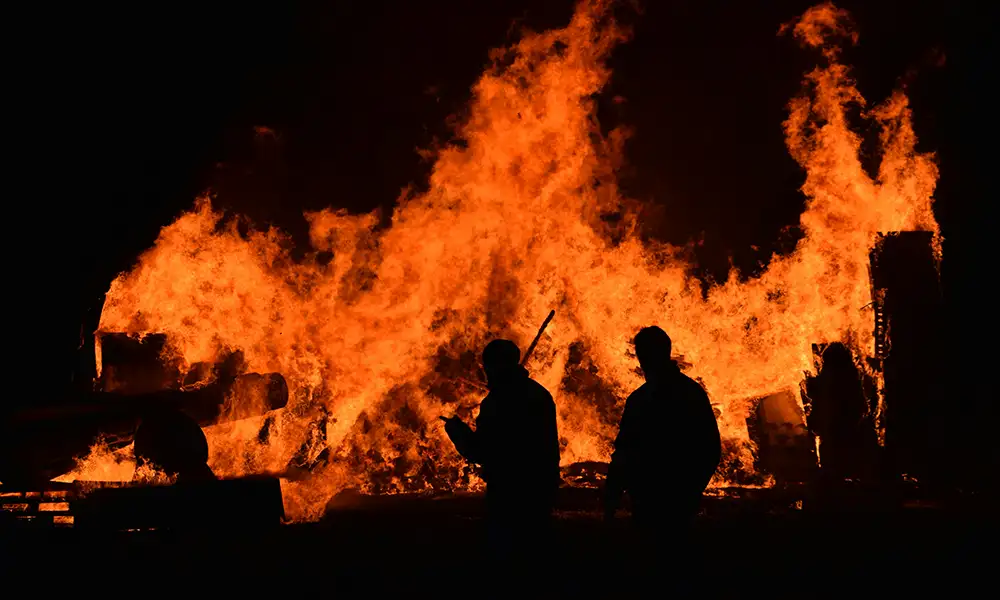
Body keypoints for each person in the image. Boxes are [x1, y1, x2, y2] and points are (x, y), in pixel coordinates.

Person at [603, 326, 721, 585]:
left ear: (642, 357)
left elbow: (624, 453)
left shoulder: (642, 400)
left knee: (652, 570)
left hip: (652, 500)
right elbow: (711, 448)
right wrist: (692, 489)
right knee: (675, 569)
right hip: (675, 499)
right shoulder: (692, 393)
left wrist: (612, 496)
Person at [442, 339, 560, 579]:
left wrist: (457, 431)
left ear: (495, 366)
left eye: (488, 367)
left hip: (508, 491)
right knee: (538, 560)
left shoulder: (498, 402)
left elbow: (481, 451)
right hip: (540, 487)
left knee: (507, 564)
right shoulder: (539, 394)